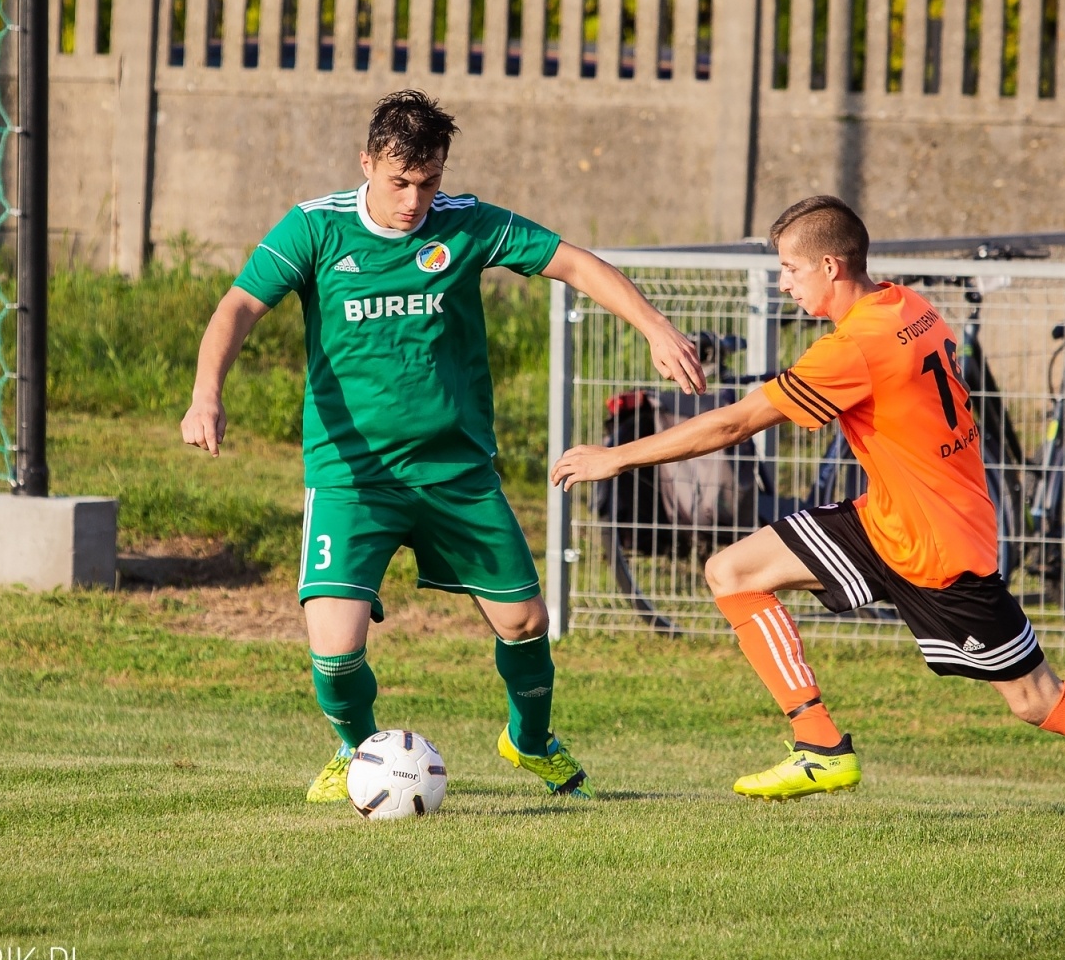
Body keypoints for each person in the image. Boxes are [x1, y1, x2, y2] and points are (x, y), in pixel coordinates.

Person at [551, 195, 1065, 827]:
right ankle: (821, 745)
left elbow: (736, 423)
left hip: (941, 552)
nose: (785, 283)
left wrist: (616, 457)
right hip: (888, 521)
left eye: (791, 271)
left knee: (1037, 699)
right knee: (733, 570)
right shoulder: (905, 305)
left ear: (830, 265)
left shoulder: (856, 346)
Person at [182, 90, 705, 803]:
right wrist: (206, 393)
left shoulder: (466, 225)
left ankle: (530, 741)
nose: (414, 199)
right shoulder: (314, 229)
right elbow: (239, 305)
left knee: (526, 622)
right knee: (335, 652)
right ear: (367, 163)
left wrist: (652, 326)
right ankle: (355, 750)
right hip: (351, 476)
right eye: (399, 181)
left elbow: (574, 263)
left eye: (429, 182)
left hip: (456, 472)